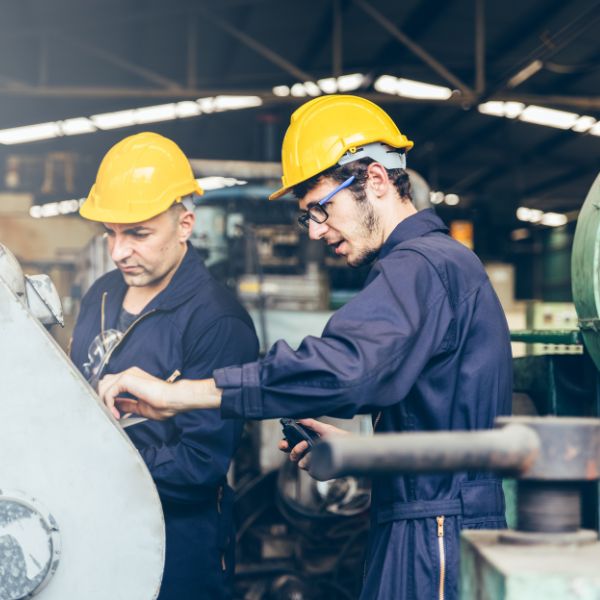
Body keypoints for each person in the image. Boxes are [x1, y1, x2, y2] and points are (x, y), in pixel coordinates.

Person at [99, 96, 512, 600]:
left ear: (376, 180)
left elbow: (345, 369)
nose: (316, 230)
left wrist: (181, 395)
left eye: (322, 208)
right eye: (307, 217)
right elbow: (441, 414)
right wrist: (361, 454)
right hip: (424, 517)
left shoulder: (422, 265)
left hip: (437, 529)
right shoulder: (430, 267)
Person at [70, 132, 259, 600]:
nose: (118, 251)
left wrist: (96, 463)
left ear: (185, 224)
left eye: (137, 233)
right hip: (94, 527)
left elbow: (199, 467)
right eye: (112, 233)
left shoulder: (217, 321)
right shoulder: (103, 293)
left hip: (178, 544)